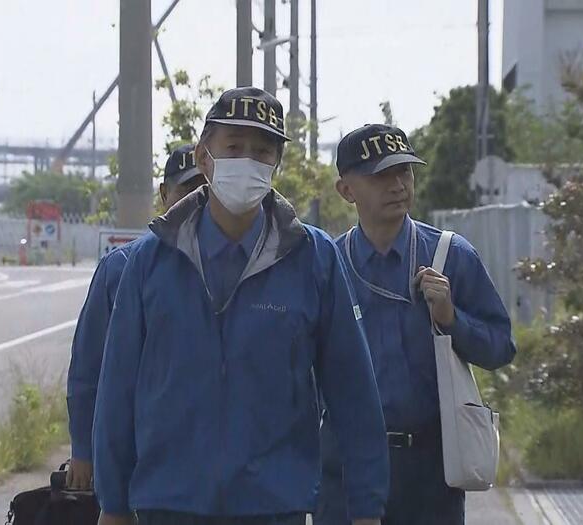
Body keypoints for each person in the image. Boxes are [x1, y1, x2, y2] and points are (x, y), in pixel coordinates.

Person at [92, 87, 389, 525]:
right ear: (204, 156)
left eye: (262, 151)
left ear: (276, 165)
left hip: (272, 505)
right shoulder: (150, 261)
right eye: (234, 146)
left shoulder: (313, 259)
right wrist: (113, 505)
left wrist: (366, 508)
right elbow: (117, 389)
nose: (248, 160)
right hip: (169, 504)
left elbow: (354, 392)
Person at [315, 124, 516, 525]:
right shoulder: (327, 264)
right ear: (346, 190)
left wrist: (452, 320)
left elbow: (500, 347)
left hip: (429, 474)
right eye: (380, 176)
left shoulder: (450, 256)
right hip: (346, 471)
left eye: (404, 172)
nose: (397, 185)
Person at [65, 143, 207, 490]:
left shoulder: (236, 270)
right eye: (187, 188)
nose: (199, 198)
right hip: (134, 451)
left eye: (208, 187)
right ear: (164, 194)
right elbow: (88, 367)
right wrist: (83, 450)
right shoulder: (123, 268)